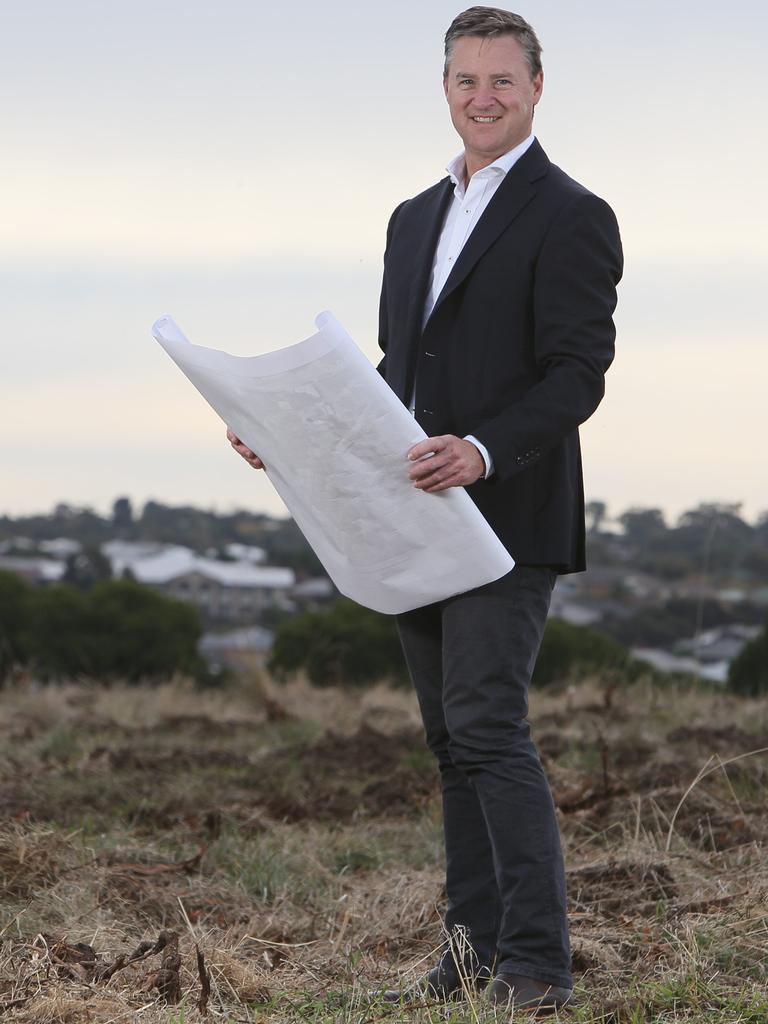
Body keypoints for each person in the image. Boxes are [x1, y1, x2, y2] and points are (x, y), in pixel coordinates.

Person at [229, 6, 622, 1015]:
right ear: (443, 88)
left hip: (507, 514)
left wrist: (484, 450)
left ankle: (537, 965)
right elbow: (394, 379)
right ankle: (472, 946)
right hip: (411, 519)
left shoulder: (574, 214)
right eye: (465, 80)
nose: (482, 97)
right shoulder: (412, 218)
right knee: (451, 739)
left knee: (490, 724)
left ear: (537, 87)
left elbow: (578, 373)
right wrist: (287, 432)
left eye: (501, 79)